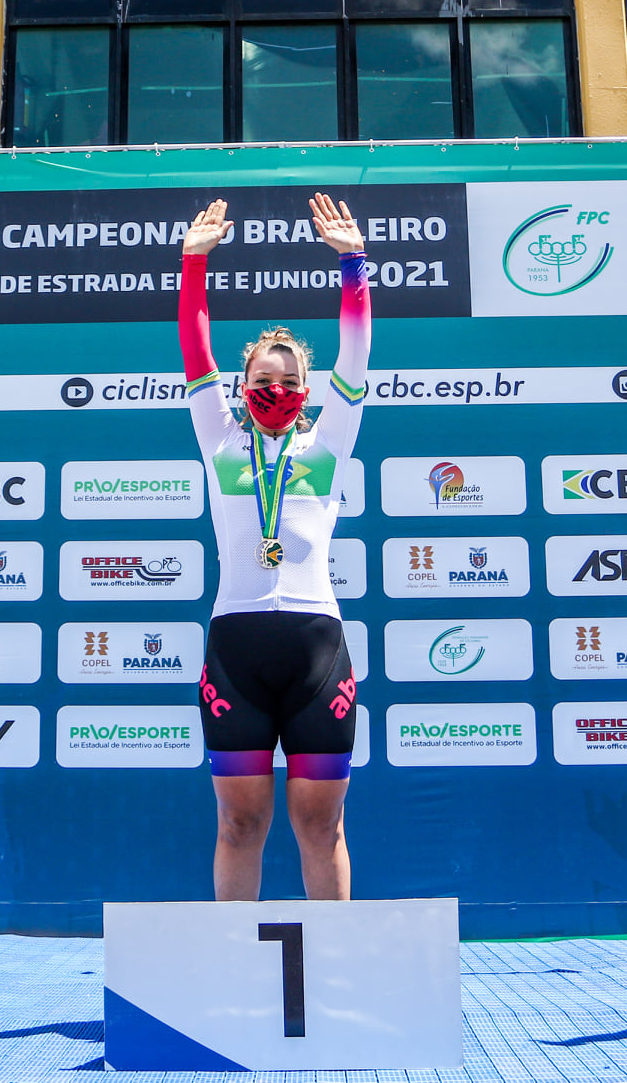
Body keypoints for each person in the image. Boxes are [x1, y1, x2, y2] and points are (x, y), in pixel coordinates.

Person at [179, 193, 370, 900]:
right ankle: (235, 959)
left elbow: (357, 353)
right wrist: (192, 263)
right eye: (264, 380)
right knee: (239, 824)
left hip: (317, 647)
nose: (277, 389)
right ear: (242, 386)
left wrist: (354, 263)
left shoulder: (329, 443)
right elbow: (195, 350)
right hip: (237, 648)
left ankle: (337, 961)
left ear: (309, 390)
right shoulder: (219, 439)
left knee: (322, 825)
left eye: (290, 382)